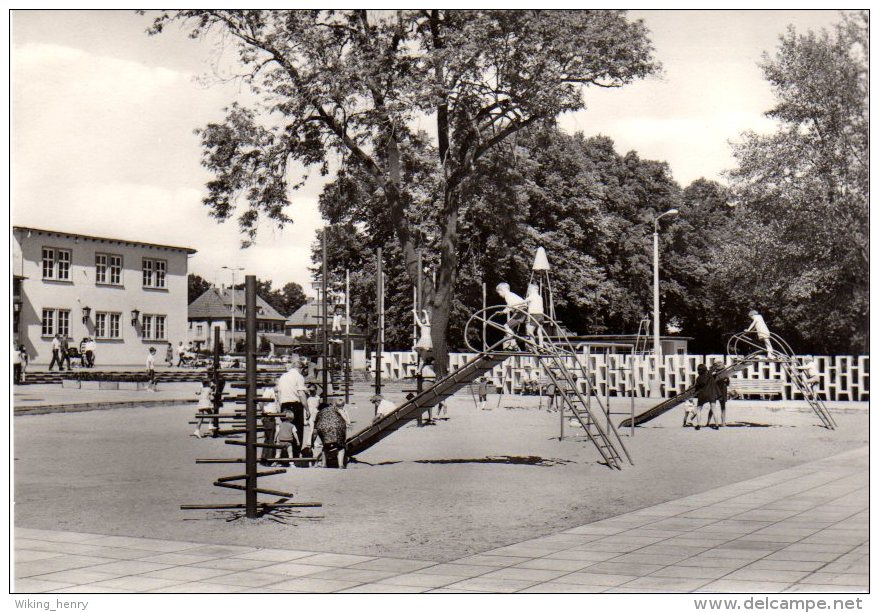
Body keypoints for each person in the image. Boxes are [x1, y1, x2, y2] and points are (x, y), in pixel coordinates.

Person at [276, 360, 309, 457]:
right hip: (295, 405)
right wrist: (307, 409)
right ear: (301, 368)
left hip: (284, 404)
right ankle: (295, 454)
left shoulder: (283, 376)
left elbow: (279, 393)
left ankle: (284, 454)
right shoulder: (299, 377)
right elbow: (301, 394)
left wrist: (279, 407)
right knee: (297, 430)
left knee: (285, 429)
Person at [312, 401, 347, 468]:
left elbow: (315, 431)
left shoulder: (319, 413)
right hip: (337, 426)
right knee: (340, 447)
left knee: (326, 446)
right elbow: (342, 414)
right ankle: (340, 464)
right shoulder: (334, 408)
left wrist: (312, 442)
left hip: (323, 427)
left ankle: (324, 464)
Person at [693, 363, 720, 430]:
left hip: (702, 395)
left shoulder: (698, 378)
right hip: (711, 394)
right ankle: (717, 425)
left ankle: (698, 425)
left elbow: (696, 388)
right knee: (714, 409)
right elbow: (714, 368)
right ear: (705, 369)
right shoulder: (709, 374)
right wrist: (715, 364)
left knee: (699, 409)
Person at [710, 360, 730, 427]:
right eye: (717, 363)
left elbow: (727, 382)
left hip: (717, 390)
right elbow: (727, 382)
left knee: (714, 407)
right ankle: (723, 423)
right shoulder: (724, 371)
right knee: (722, 407)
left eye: (719, 362)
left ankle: (722, 422)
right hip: (720, 390)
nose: (718, 364)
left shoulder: (713, 371)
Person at [302, 385, 320, 458]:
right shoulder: (307, 396)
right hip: (309, 412)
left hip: (314, 412)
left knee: (314, 428)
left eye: (314, 389)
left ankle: (312, 441)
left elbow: (317, 405)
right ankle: (310, 441)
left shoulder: (317, 397)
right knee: (312, 428)